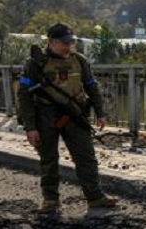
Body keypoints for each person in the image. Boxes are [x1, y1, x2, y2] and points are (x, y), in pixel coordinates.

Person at [16, 23, 118, 213]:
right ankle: (50, 199)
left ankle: (95, 197)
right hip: (45, 117)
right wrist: (30, 127)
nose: (69, 46)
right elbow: (24, 96)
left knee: (86, 157)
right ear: (52, 41)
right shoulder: (34, 64)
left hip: (74, 115)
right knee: (49, 159)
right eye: (65, 42)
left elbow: (91, 87)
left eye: (71, 41)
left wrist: (100, 112)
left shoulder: (79, 60)